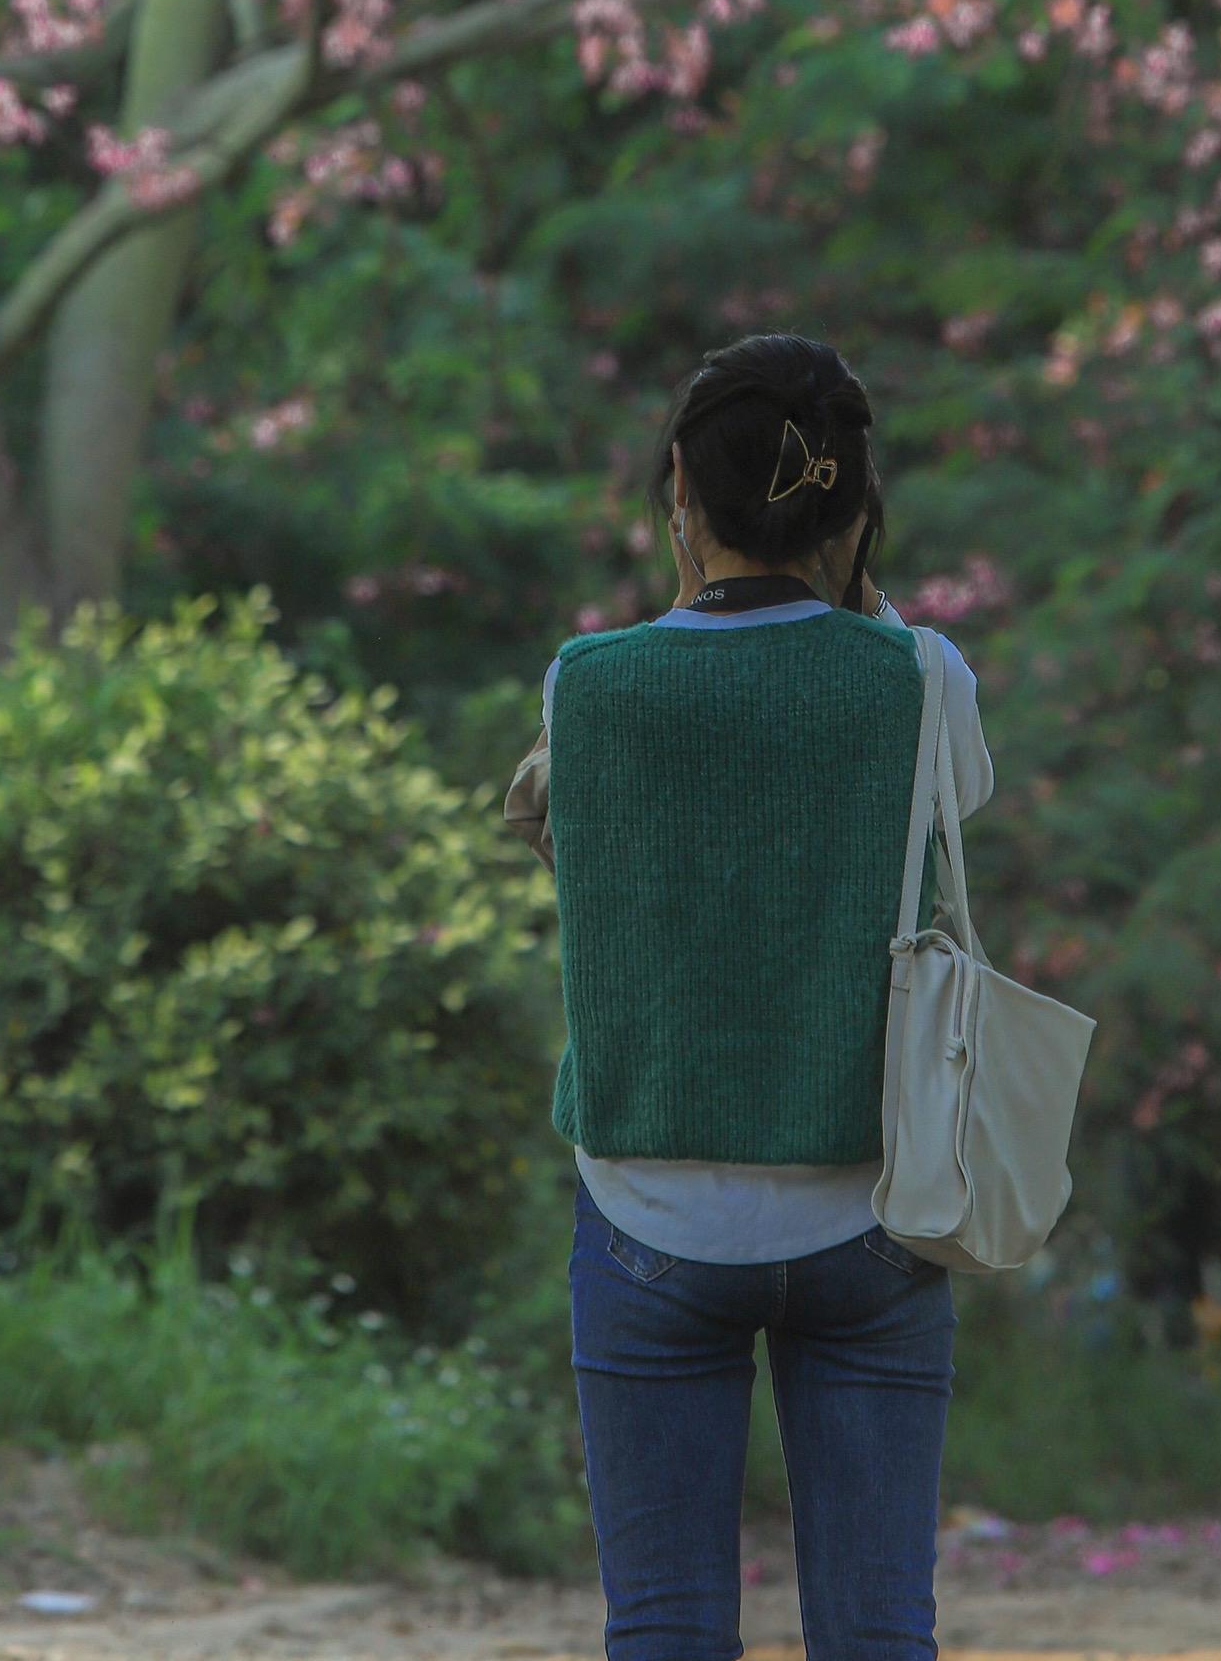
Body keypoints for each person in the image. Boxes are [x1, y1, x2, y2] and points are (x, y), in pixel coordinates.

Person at [504, 334, 992, 1661]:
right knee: (880, 1633)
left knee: (659, 1631)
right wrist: (857, 587)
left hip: (646, 1216)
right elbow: (961, 799)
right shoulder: (920, 676)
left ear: (680, 490)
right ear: (848, 510)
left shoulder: (585, 684)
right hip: (872, 1215)